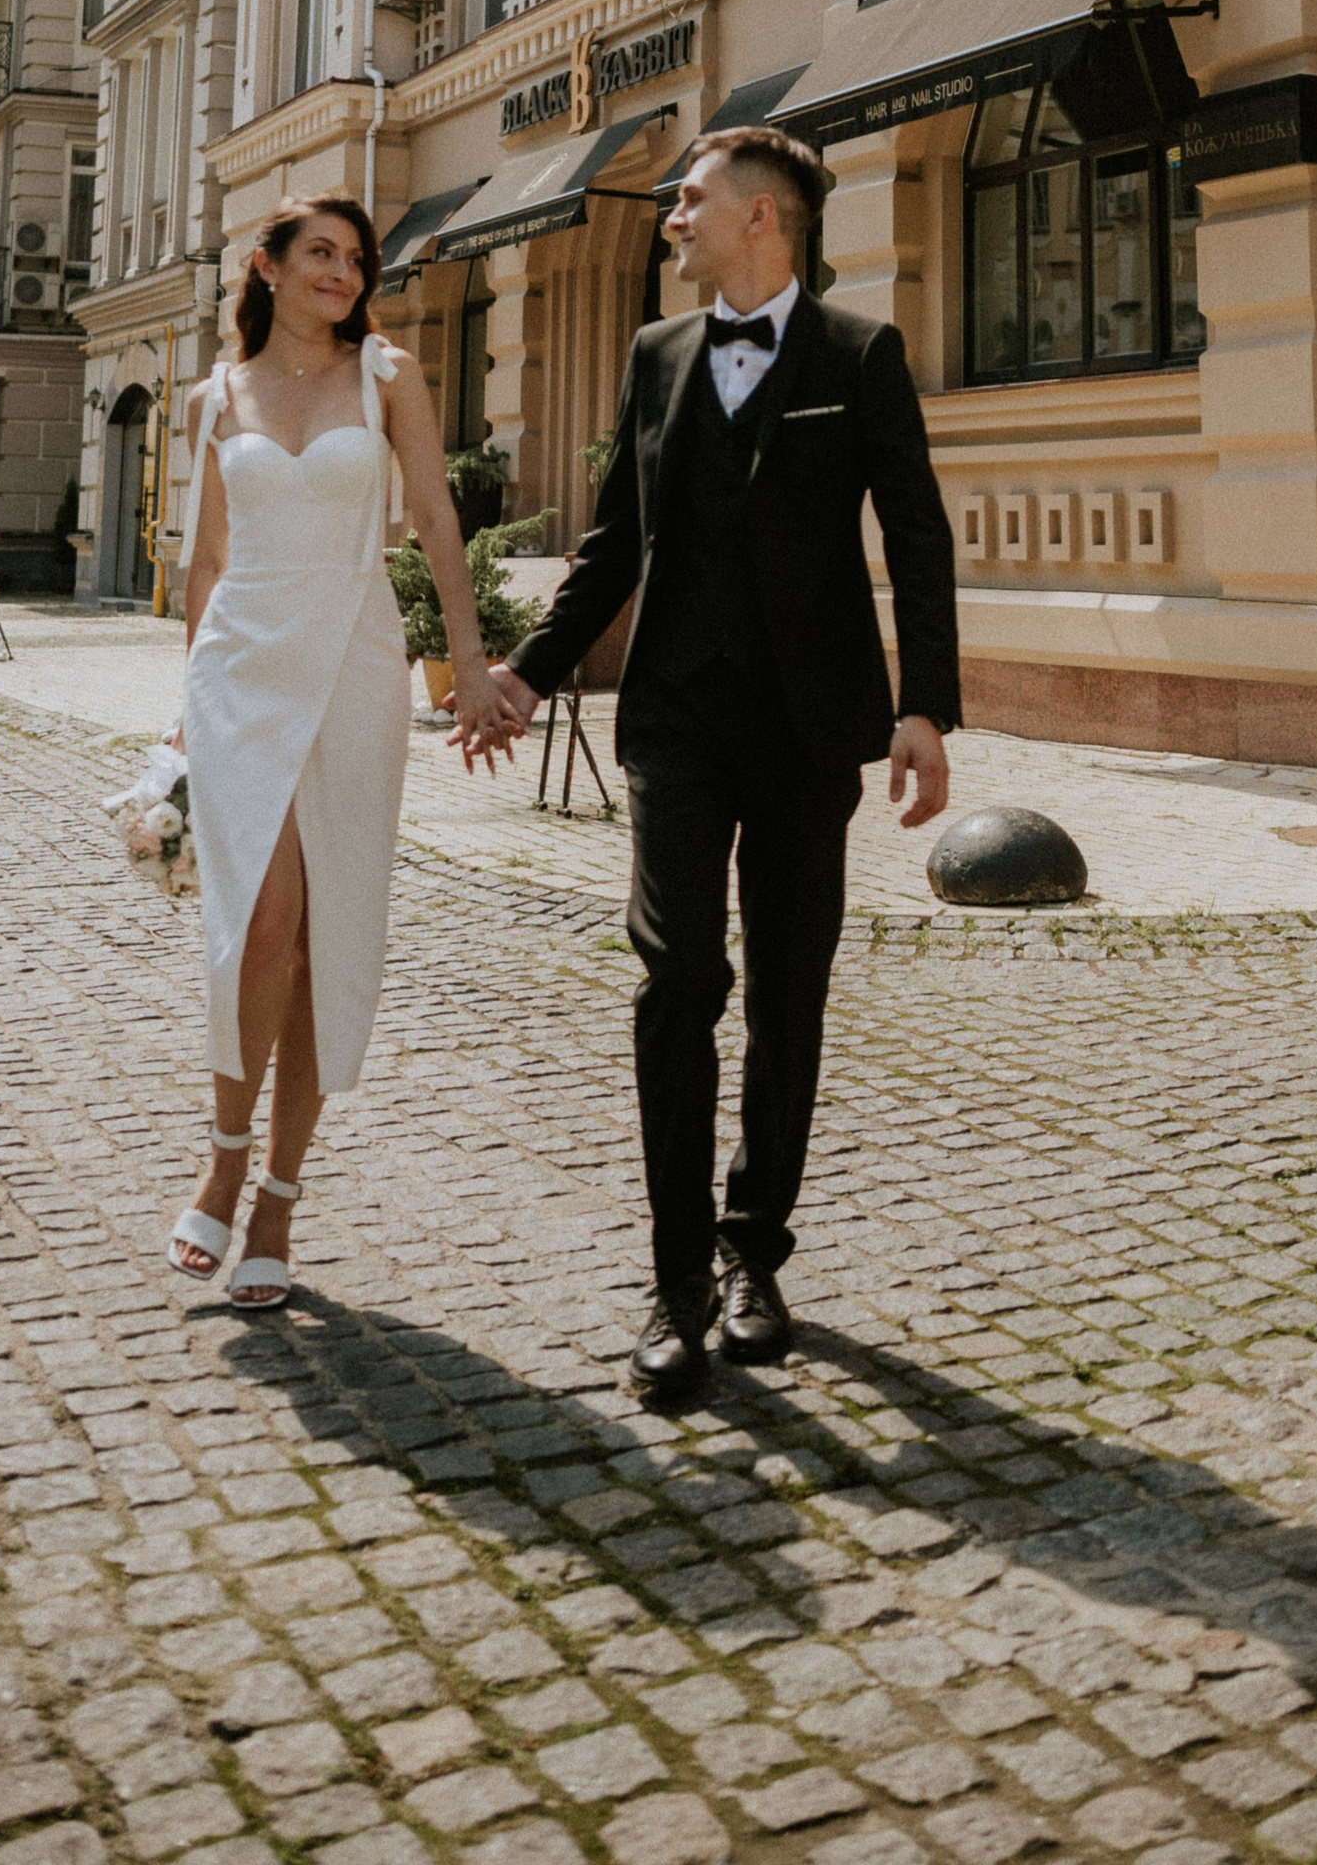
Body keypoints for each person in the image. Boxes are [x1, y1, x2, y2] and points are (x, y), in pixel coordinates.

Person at [491, 126, 959, 1404]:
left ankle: (757, 1254)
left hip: (811, 732)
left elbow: (916, 536)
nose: (670, 216)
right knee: (677, 977)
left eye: (689, 199)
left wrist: (927, 707)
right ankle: (676, 1282)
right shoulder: (655, 357)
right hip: (680, 728)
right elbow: (613, 545)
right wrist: (529, 673)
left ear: (764, 218)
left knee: (789, 993)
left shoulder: (862, 356)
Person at [169, 192, 517, 1306]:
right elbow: (206, 560)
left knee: (325, 935)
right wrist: (185, 710)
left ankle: (278, 1195)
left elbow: (436, 516)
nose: (343, 273)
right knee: (257, 925)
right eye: (319, 253)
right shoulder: (213, 397)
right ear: (264, 266)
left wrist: (465, 662)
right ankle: (223, 1158)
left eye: (356, 258)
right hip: (240, 673)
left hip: (358, 661)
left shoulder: (390, 377)